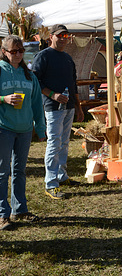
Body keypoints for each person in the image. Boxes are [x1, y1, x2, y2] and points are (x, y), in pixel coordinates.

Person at [32, 24, 84, 200]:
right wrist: (53, 95)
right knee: (54, 143)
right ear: (51, 37)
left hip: (69, 107)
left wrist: (78, 106)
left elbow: (73, 83)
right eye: (60, 35)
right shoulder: (43, 56)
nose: (63, 39)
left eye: (66, 36)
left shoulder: (68, 58)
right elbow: (35, 81)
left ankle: (61, 176)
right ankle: (51, 183)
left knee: (64, 142)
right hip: (53, 108)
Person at [0, 35, 46, 230]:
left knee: (19, 170)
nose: (18, 54)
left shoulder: (29, 75)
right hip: (4, 128)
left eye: (21, 51)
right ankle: (3, 214)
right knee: (2, 172)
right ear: (4, 52)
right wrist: (3, 98)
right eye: (13, 51)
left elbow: (37, 103)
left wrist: (41, 128)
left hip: (25, 129)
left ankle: (20, 209)